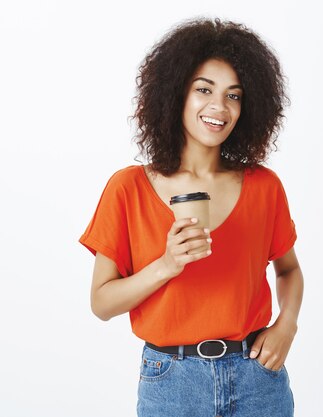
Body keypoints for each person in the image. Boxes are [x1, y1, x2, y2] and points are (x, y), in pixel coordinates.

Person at [79, 17, 303, 417]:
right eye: (204, 89)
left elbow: (288, 270)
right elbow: (102, 303)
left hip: (258, 379)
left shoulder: (263, 186)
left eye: (234, 95)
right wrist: (166, 265)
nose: (219, 106)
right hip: (172, 382)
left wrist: (287, 325)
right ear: (175, 93)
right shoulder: (128, 188)